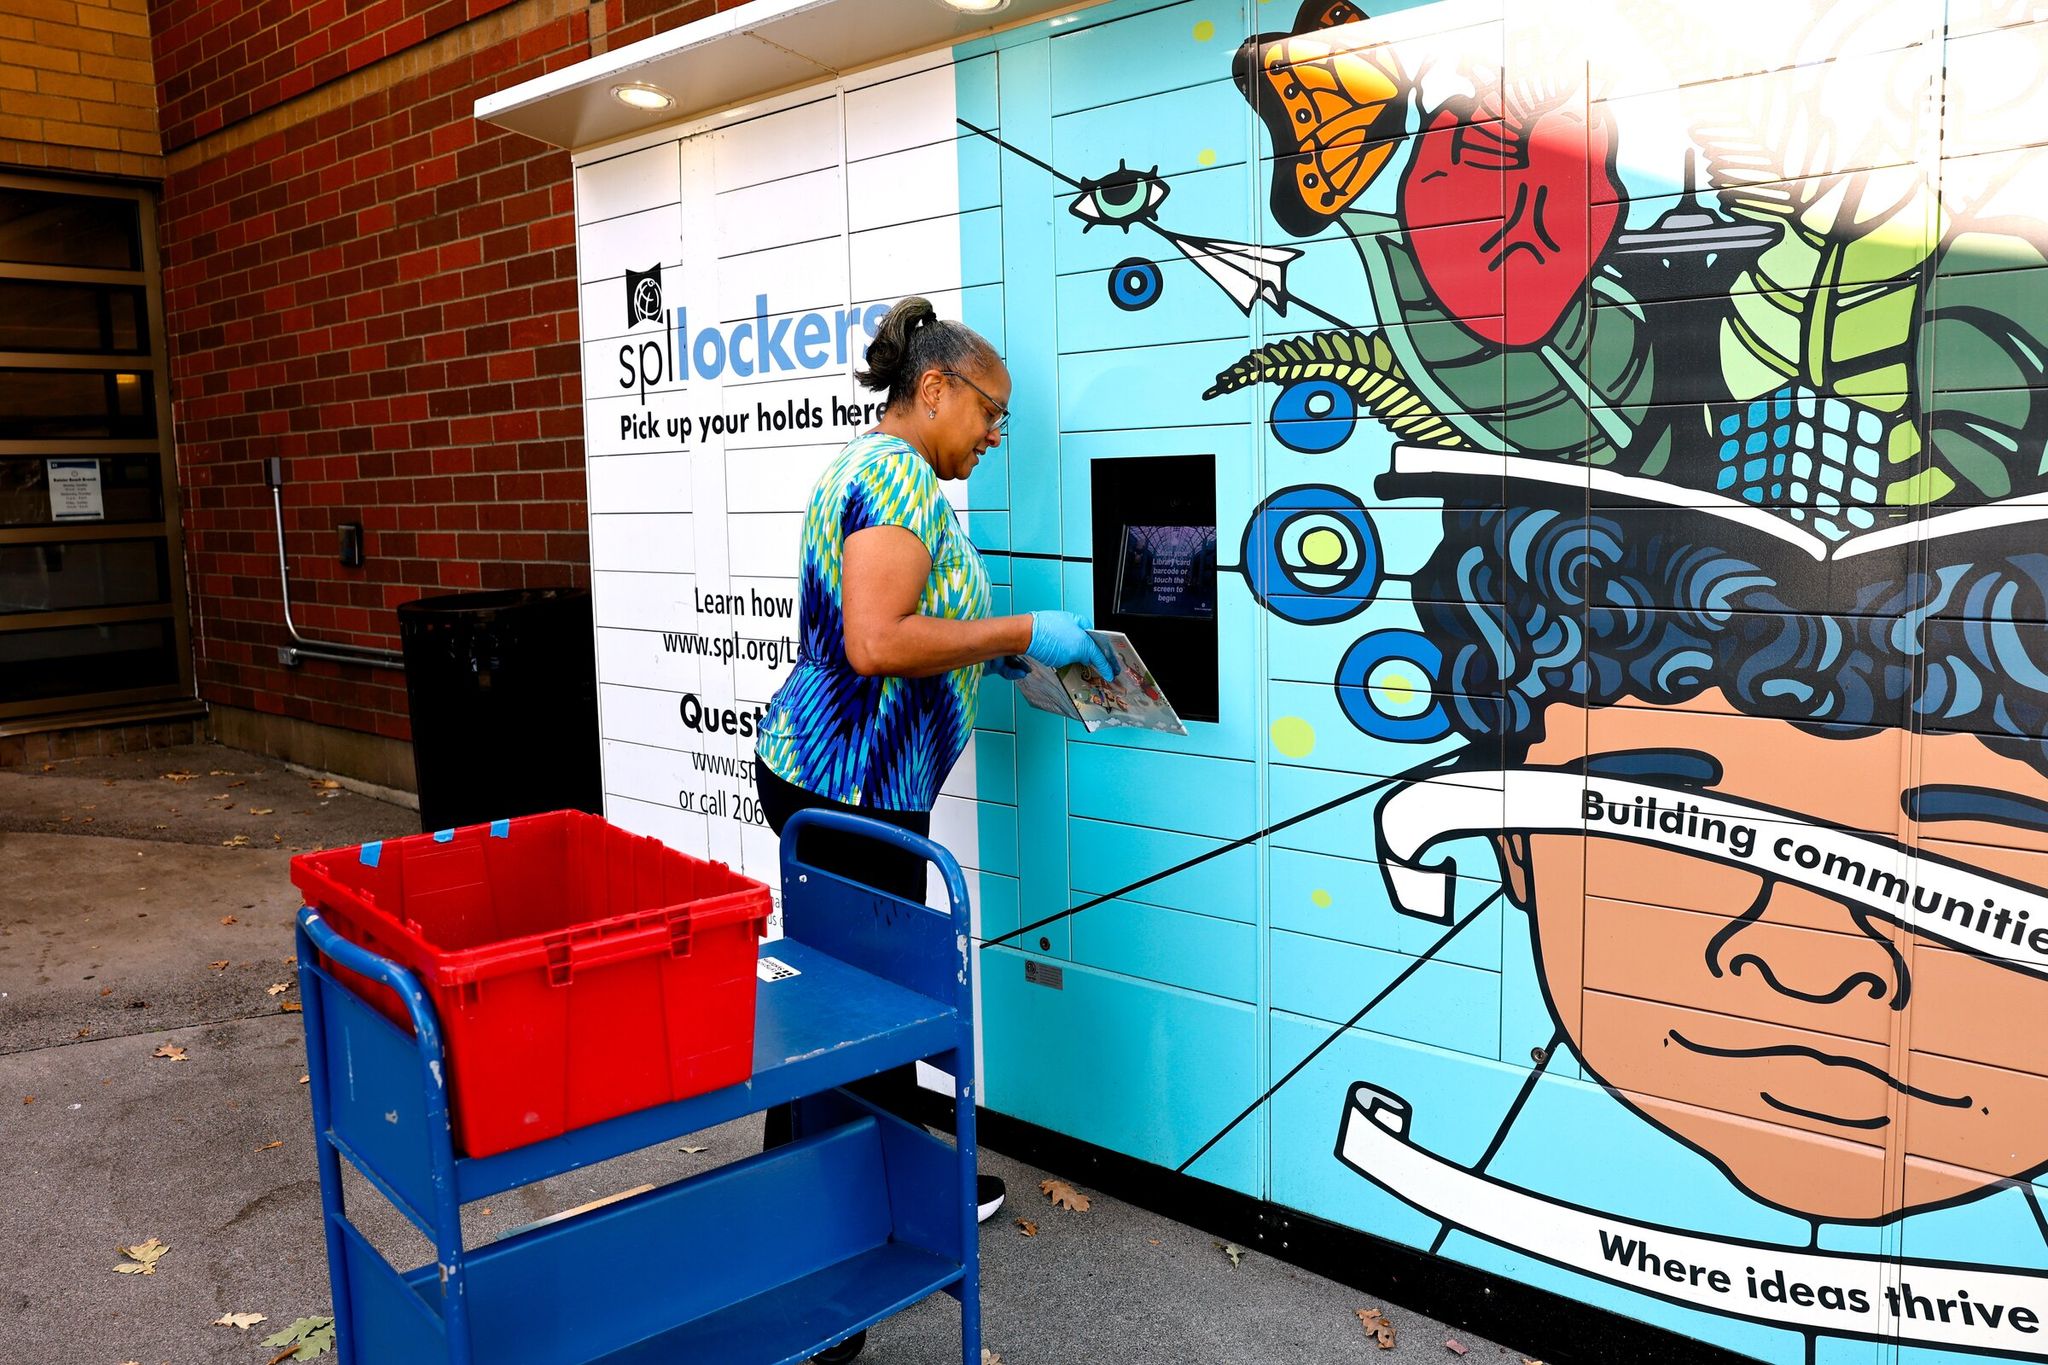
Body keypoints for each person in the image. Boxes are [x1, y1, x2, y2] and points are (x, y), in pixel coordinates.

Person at [752, 295, 1117, 1231]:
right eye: (990, 410)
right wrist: (1030, 627)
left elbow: (902, 627)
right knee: (860, 1008)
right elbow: (875, 642)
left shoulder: (887, 471)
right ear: (932, 388)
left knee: (852, 998)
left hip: (846, 782)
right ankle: (844, 1217)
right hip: (851, 785)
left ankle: (849, 1195)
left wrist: (987, 651)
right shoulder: (900, 475)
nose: (996, 431)